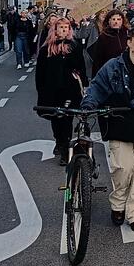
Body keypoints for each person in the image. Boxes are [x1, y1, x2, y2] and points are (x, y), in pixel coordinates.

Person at [81, 26, 134, 233]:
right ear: (129, 42)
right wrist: (90, 103)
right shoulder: (113, 66)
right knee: (122, 169)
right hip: (119, 124)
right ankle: (118, 204)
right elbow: (98, 87)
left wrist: (123, 101)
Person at [35, 18, 87, 165]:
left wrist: (83, 82)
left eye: (66, 27)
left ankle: (65, 150)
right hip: (51, 88)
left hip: (69, 89)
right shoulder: (47, 49)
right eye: (61, 27)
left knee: (67, 119)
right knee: (55, 118)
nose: (64, 30)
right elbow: (40, 72)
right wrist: (41, 90)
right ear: (55, 29)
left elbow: (81, 66)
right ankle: (59, 140)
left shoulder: (74, 46)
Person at [91, 9, 129, 77]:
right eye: (113, 19)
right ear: (109, 21)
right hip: (109, 72)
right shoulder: (103, 37)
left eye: (118, 19)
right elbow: (98, 60)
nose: (116, 22)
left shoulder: (128, 34)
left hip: (125, 72)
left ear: (122, 21)